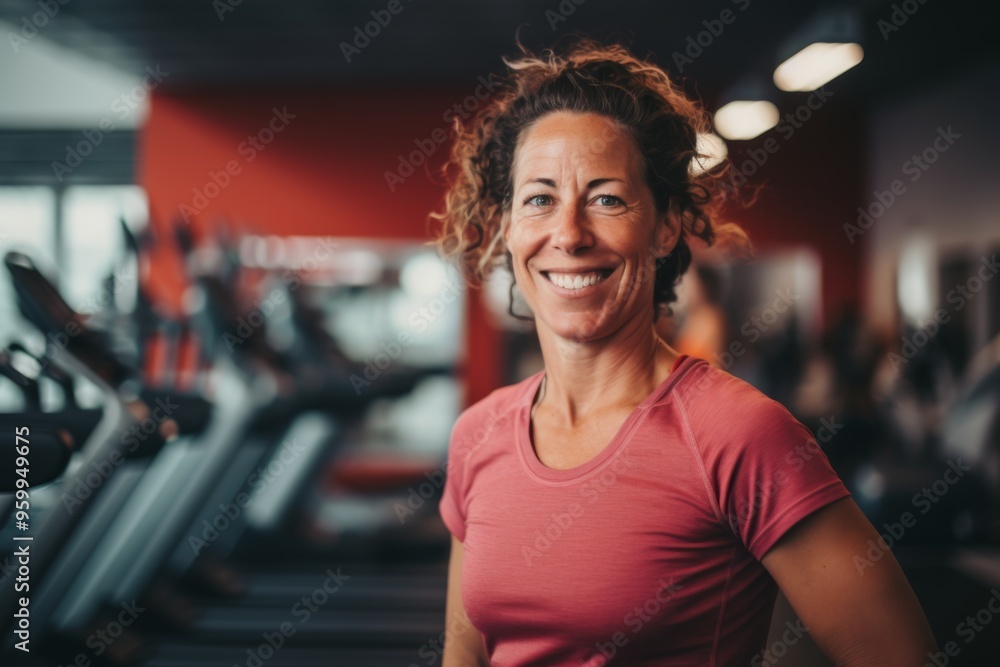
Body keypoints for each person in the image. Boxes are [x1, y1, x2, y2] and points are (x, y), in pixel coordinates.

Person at [430, 38, 938, 666]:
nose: (568, 233)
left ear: (665, 224)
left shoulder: (738, 434)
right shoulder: (477, 436)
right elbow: (463, 657)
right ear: (507, 226)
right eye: (539, 199)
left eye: (606, 198)